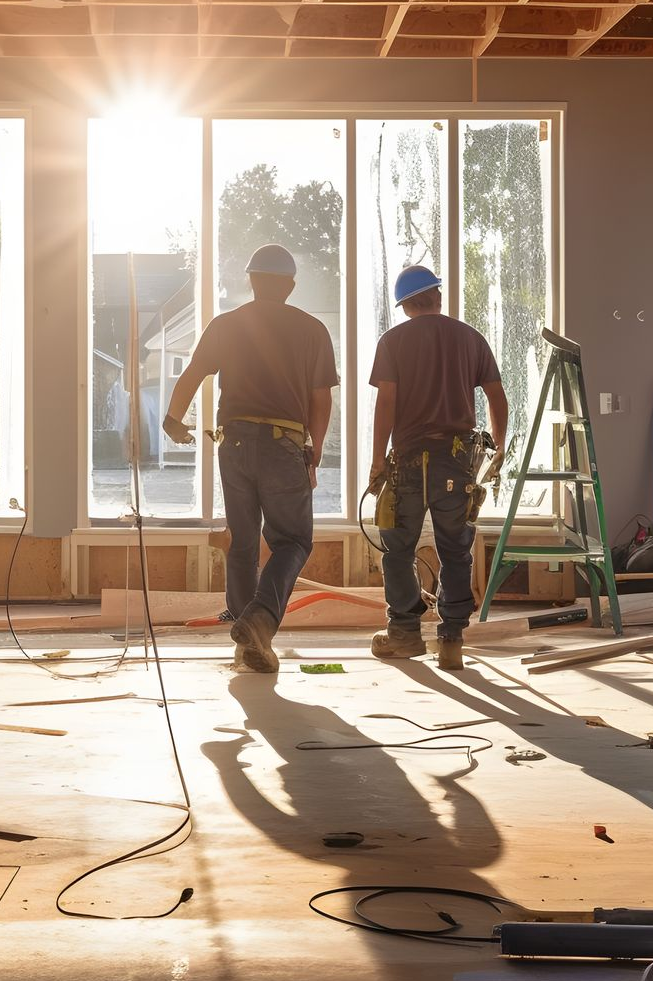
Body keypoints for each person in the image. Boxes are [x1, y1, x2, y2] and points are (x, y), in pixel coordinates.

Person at [162, 244, 339, 674]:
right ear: (290, 286)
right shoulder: (312, 330)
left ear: (251, 281)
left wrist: (173, 420)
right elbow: (321, 401)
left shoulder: (227, 325)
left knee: (242, 541)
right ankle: (258, 623)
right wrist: (312, 452)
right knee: (293, 541)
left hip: (235, 441)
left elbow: (192, 373)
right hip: (284, 443)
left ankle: (246, 644)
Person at [368, 264, 508, 671]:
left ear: (406, 305)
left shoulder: (393, 341)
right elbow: (496, 397)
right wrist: (497, 449)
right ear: (438, 297)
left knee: (397, 549)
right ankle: (451, 640)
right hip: (457, 461)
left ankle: (405, 635)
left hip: (409, 462)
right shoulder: (470, 338)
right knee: (455, 550)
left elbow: (386, 405)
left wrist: (378, 461)